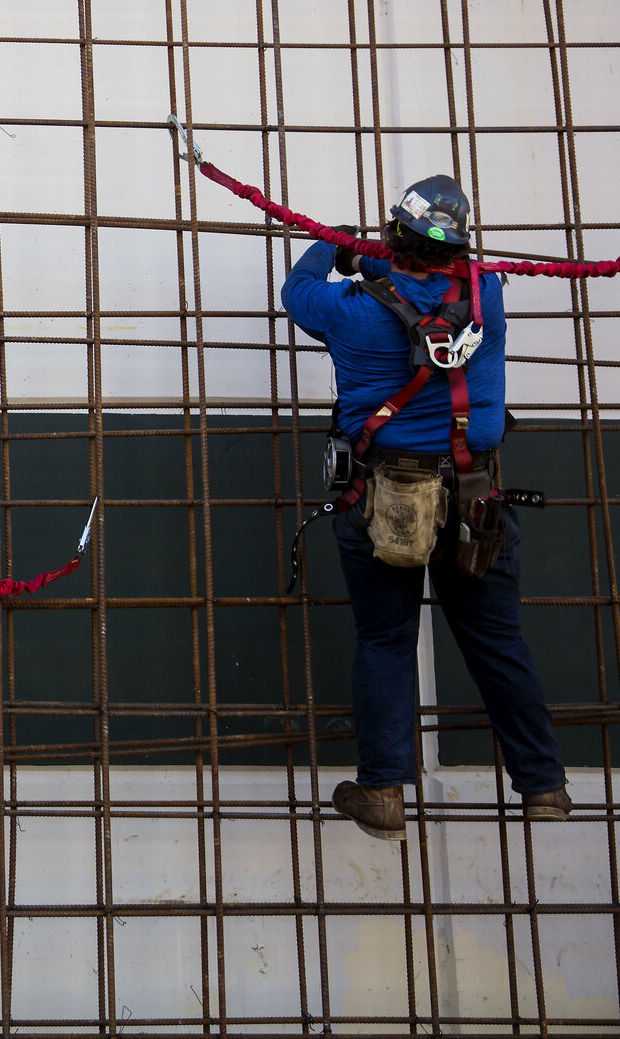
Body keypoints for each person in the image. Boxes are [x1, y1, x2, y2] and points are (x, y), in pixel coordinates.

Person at [281, 174, 569, 841]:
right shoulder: (485, 296)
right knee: (497, 641)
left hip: (384, 499)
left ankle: (383, 789)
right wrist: (388, 255)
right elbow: (437, 274)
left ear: (393, 237)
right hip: (475, 501)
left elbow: (298, 289)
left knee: (385, 640)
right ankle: (543, 783)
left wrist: (339, 248)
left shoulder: (348, 309)